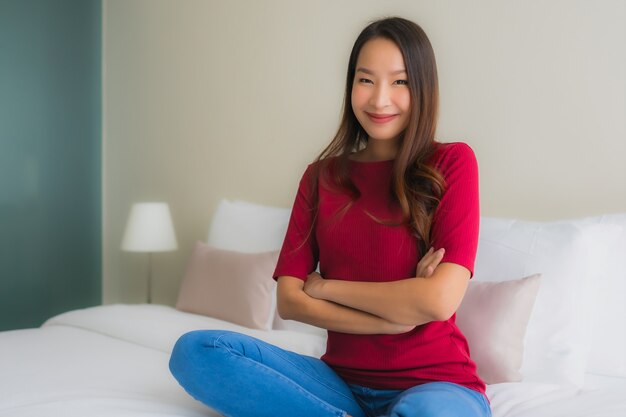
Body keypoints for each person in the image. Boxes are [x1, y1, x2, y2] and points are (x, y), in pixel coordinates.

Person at [169, 16, 491, 417]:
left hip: (437, 384)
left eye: (400, 81)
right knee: (196, 352)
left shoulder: (452, 163)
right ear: (350, 85)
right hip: (338, 384)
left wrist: (326, 288)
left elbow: (438, 300)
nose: (379, 100)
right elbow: (289, 301)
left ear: (423, 87)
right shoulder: (321, 177)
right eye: (366, 79)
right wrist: (392, 319)